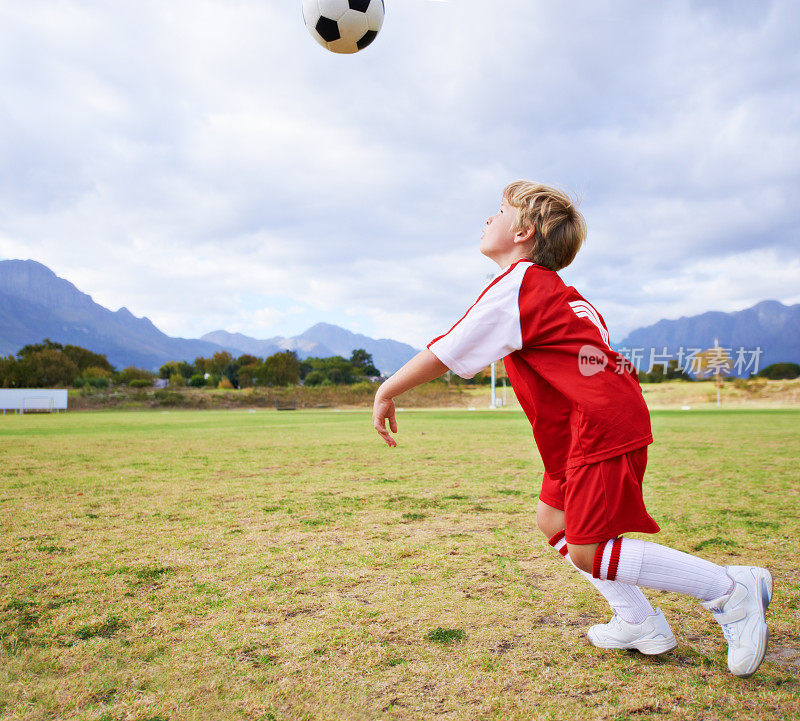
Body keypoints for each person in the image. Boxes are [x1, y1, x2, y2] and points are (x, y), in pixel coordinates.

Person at [371, 180, 772, 677]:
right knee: (553, 521)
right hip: (583, 425)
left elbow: (447, 350)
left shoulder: (519, 286)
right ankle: (638, 620)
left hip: (598, 423)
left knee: (588, 549)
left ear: (523, 230)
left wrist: (387, 389)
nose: (486, 220)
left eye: (496, 212)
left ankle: (731, 591)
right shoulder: (553, 290)